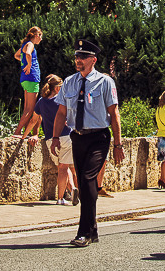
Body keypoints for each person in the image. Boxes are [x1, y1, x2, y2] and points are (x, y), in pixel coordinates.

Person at [51, 37, 124, 247]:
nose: (78, 60)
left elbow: (114, 114)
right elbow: (61, 113)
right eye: (77, 56)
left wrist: (118, 145)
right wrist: (55, 137)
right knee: (84, 185)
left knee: (87, 178)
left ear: (93, 60)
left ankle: (83, 232)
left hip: (98, 138)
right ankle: (93, 230)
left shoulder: (105, 82)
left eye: (83, 57)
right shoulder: (69, 82)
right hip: (78, 137)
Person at [32, 74, 75, 204]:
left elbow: (34, 120)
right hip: (67, 136)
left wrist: (30, 134)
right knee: (65, 167)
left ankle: (64, 196)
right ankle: (70, 192)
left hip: (51, 138)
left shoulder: (41, 102)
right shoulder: (63, 100)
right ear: (57, 88)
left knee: (61, 167)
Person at [12, 27, 43, 137]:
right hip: (32, 78)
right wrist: (29, 65)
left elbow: (16, 55)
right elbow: (28, 54)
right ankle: (17, 132)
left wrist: (25, 62)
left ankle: (25, 132)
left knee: (27, 108)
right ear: (36, 35)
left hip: (25, 78)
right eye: (40, 36)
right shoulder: (30, 44)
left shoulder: (24, 45)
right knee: (30, 109)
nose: (41, 39)